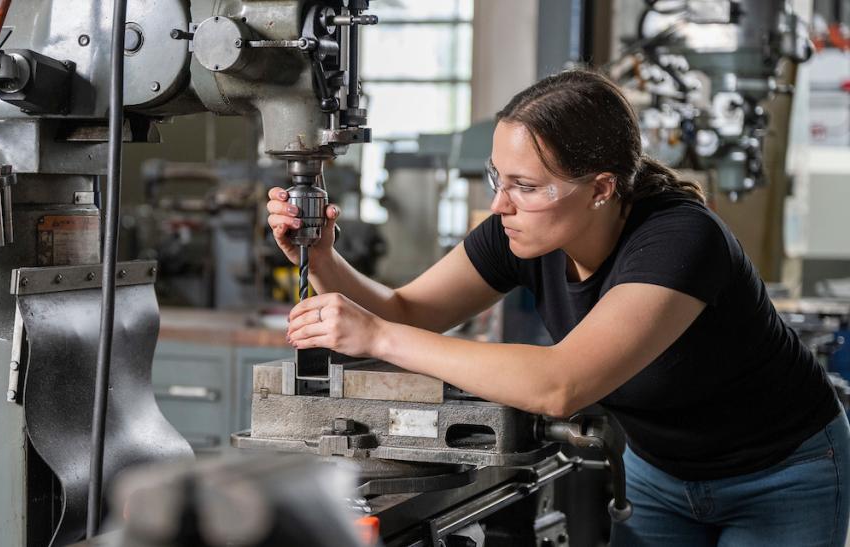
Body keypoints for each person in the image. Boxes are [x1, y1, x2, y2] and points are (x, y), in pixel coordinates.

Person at [265, 70, 850, 546]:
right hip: (660, 473)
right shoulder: (519, 231)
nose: (500, 203)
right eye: (498, 176)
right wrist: (321, 259)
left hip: (780, 474)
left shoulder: (681, 240)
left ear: (600, 188)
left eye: (525, 185)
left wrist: (378, 339)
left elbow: (560, 384)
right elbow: (408, 311)